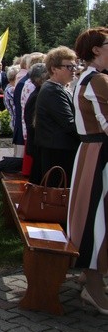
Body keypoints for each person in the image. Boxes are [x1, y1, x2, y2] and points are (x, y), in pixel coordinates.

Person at [68, 27, 108, 314]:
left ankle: (88, 276)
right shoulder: (98, 79)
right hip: (100, 155)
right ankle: (93, 284)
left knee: (93, 215)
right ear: (96, 49)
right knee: (97, 218)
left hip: (92, 153)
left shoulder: (87, 77)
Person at [34, 46, 79, 185]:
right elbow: (69, 124)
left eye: (75, 66)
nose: (74, 70)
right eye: (69, 67)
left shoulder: (58, 88)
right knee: (57, 195)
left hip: (59, 149)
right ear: (54, 69)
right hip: (58, 153)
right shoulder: (53, 90)